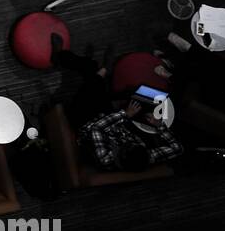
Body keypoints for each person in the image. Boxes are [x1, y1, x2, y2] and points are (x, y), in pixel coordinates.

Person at [52, 44, 183, 171]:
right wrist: (158, 125)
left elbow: (96, 128)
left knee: (91, 78)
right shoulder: (145, 157)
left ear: (121, 154)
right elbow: (177, 149)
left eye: (128, 145)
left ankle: (65, 58)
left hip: (86, 121)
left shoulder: (105, 158)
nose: (131, 142)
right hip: (114, 122)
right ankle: (100, 72)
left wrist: (125, 114)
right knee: (133, 93)